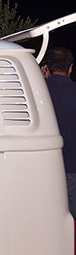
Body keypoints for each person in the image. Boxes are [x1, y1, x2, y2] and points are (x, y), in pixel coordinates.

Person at [44, 47, 76, 219]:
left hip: (45, 169)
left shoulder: (38, 93)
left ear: (47, 68)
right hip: (72, 169)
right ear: (70, 68)